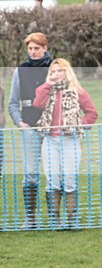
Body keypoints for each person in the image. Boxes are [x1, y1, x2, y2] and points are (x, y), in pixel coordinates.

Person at [33, 58, 98, 229]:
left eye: (59, 71)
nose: (56, 74)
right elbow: (37, 104)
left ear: (67, 72)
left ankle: (72, 219)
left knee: (70, 179)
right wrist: (47, 84)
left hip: (70, 140)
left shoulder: (78, 91)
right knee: (52, 178)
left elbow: (92, 113)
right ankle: (55, 219)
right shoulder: (47, 91)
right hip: (50, 140)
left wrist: (78, 124)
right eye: (53, 71)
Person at [9, 32, 53, 229]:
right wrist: (20, 123)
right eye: (30, 49)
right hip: (29, 128)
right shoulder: (21, 71)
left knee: (54, 173)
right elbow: (12, 103)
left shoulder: (55, 68)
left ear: (45, 48)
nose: (33, 52)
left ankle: (55, 217)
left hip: (52, 128)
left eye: (37, 48)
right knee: (30, 173)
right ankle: (30, 217)